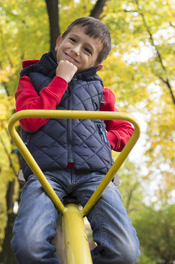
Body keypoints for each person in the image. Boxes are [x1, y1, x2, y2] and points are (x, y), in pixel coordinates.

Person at [11, 17, 140, 264]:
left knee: (125, 251)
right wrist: (60, 80)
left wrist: (105, 138)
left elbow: (126, 129)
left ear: (96, 65)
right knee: (28, 245)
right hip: (44, 173)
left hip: (95, 175)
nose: (76, 50)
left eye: (87, 50)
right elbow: (29, 121)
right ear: (59, 41)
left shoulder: (100, 92)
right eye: (72, 40)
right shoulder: (31, 79)